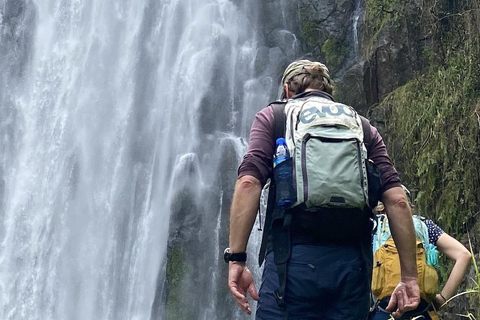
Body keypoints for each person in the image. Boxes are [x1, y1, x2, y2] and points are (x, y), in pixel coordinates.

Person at [226, 59, 420, 319]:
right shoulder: (362, 127)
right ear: (330, 92)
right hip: (352, 270)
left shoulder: (276, 116)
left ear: (287, 90)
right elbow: (397, 201)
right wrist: (409, 277)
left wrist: (237, 258)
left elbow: (249, 182)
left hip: (291, 266)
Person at [370, 186, 472, 320]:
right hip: (421, 309)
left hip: (384, 310)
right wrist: (441, 299)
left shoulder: (374, 224)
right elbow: (464, 255)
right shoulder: (424, 226)